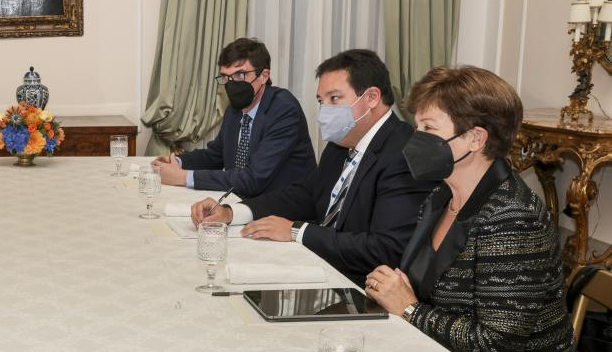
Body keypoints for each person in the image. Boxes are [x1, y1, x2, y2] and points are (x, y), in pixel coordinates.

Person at [365, 66, 585, 352]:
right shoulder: (441, 196)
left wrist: (408, 308)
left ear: (475, 139)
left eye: (428, 129)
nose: (414, 140)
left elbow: (496, 348)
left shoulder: (512, 217)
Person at [191, 49, 435, 284]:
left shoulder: (403, 154)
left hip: (359, 285)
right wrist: (232, 212)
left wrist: (298, 231)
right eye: (321, 101)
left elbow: (384, 248)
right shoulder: (340, 144)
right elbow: (306, 195)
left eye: (335, 98)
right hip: (317, 265)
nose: (324, 110)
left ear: (371, 97)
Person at [152, 38, 315, 195]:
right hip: (241, 200)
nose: (232, 84)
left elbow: (253, 179)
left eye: (240, 75)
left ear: (264, 76)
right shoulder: (234, 110)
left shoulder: (283, 109)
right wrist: (178, 162)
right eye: (226, 77)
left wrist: (183, 177)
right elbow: (215, 155)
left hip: (282, 209)